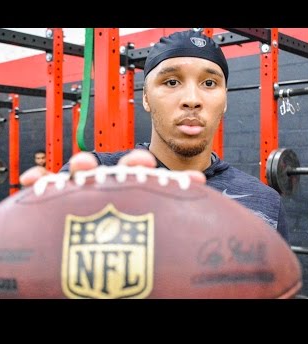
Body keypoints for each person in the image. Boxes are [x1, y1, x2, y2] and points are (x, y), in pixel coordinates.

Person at [20, 29, 288, 241]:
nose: (192, 99)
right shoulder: (95, 179)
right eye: (171, 82)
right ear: (146, 98)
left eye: (209, 83)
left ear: (225, 100)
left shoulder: (264, 202)